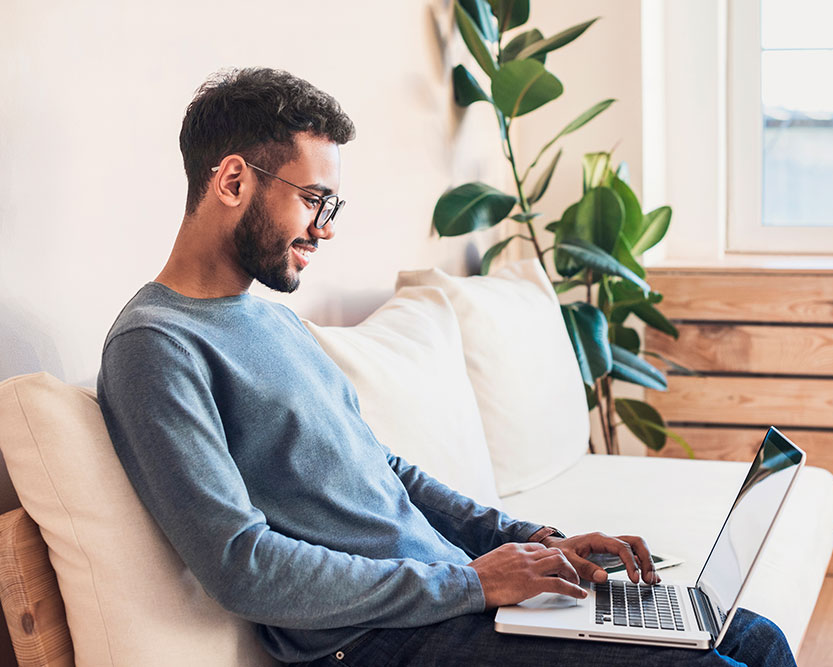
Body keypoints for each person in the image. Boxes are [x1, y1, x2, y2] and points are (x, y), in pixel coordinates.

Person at [96, 67, 796, 667]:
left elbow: (385, 471)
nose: (327, 226)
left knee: (752, 635)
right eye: (314, 200)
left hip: (450, 599)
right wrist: (473, 584)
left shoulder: (273, 319)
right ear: (232, 181)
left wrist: (529, 541)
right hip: (373, 641)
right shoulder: (155, 346)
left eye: (331, 204)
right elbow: (242, 564)